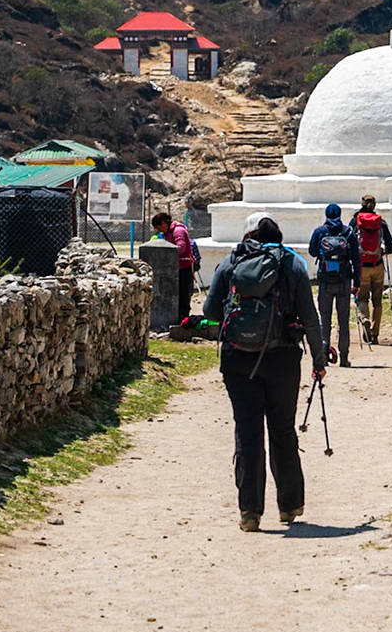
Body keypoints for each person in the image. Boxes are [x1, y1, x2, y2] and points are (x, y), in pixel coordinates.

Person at [202, 214, 326, 532]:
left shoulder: (231, 263)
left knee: (247, 431)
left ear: (248, 235)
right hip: (283, 358)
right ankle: (290, 505)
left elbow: (210, 312)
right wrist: (319, 358)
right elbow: (310, 317)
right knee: (283, 430)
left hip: (238, 359)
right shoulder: (292, 264)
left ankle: (250, 512)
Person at [307, 202, 360, 367]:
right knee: (343, 319)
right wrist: (357, 282)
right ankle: (344, 357)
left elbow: (312, 251)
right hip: (344, 280)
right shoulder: (348, 232)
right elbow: (356, 259)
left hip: (325, 280)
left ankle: (324, 355)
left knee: (325, 319)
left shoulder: (320, 232)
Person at [351, 194, 392, 345]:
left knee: (362, 298)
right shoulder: (380, 222)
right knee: (377, 301)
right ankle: (375, 332)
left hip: (362, 267)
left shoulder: (355, 222)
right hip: (377, 265)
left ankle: (364, 319)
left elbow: (348, 243)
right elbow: (390, 246)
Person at [150, 211, 201, 319]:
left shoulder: (178, 231)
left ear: (164, 223)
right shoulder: (167, 233)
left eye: (159, 228)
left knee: (183, 295)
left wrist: (167, 255)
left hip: (183, 268)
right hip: (174, 269)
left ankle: (183, 319)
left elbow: (181, 248)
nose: (159, 231)